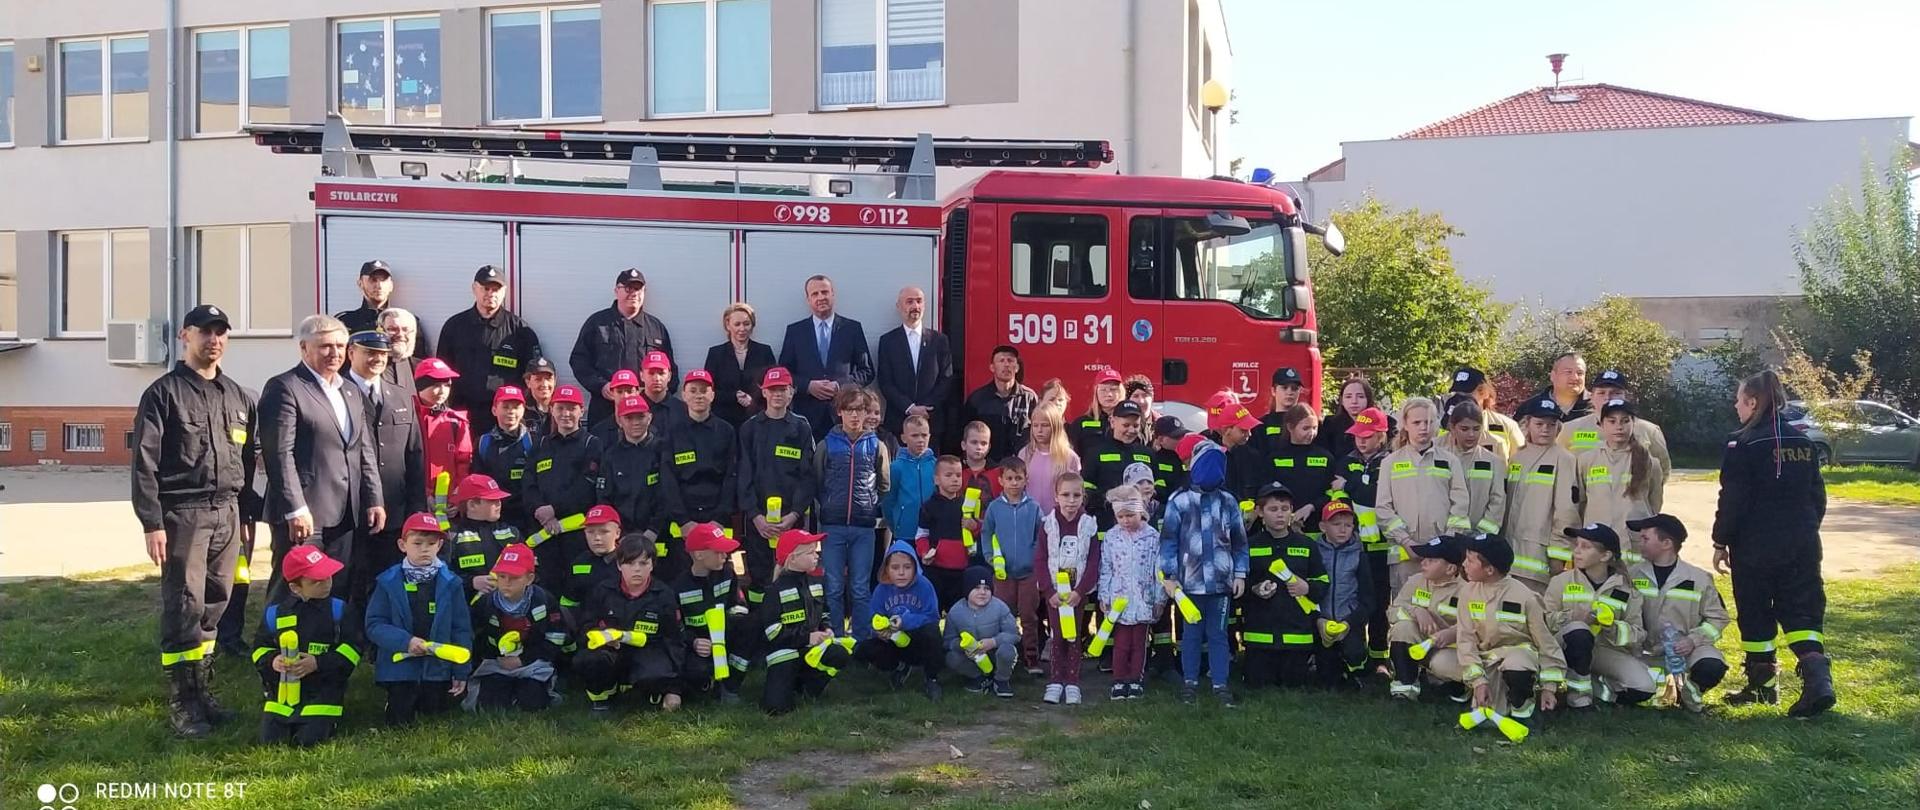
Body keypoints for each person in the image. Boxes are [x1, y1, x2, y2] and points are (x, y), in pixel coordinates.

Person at [132, 304, 262, 738]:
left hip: (228, 511)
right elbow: (144, 463)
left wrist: (246, 512)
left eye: (221, 332)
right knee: (185, 604)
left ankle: (203, 692)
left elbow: (246, 460)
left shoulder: (238, 396)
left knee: (216, 601)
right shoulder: (163, 394)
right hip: (182, 513)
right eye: (205, 331)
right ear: (185, 336)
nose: (214, 339)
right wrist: (152, 522)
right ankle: (182, 702)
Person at [1712, 369, 1833, 717]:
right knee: (1803, 609)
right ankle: (1817, 677)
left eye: (1739, 400)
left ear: (1752, 402)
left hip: (1755, 546)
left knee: (1755, 610)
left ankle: (1763, 685)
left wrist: (1721, 541)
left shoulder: (1741, 444)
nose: (1736, 406)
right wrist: (1805, 529)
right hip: (1802, 543)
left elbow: (1733, 499)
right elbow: (1817, 496)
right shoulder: (1803, 442)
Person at [261, 315, 385, 604]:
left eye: (340, 346)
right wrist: (295, 509)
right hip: (305, 513)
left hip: (346, 511)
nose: (335, 353)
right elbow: (279, 454)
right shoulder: (285, 387)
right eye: (326, 346)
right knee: (293, 591)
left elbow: (363, 448)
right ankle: (274, 635)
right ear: (304, 348)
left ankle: (329, 634)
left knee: (337, 588)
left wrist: (374, 498)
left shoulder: (350, 390)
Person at [1160, 438, 1249, 707]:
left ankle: (1221, 684)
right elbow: (1168, 541)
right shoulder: (1179, 501)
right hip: (1189, 584)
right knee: (1191, 635)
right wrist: (1169, 576)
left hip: (1221, 584)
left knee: (1219, 634)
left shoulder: (1229, 502)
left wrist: (1240, 573)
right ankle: (1190, 683)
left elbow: (1240, 542)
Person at [364, 512, 474, 726]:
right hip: (400, 665)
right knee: (400, 719)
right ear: (402, 545)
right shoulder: (387, 581)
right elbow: (374, 624)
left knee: (434, 712)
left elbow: (461, 628)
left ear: (439, 546)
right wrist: (406, 641)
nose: (425, 549)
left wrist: (461, 671)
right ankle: (394, 698)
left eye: (431, 543)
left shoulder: (452, 583)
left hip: (437, 666)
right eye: (417, 543)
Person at [345, 329, 426, 605]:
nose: (377, 359)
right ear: (351, 353)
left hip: (395, 509)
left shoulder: (402, 396)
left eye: (382, 354)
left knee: (391, 583)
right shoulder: (338, 392)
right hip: (352, 510)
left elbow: (414, 455)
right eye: (370, 353)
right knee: (353, 584)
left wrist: (416, 508)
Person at [252, 546, 359, 746]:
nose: (326, 583)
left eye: (327, 576)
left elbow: (352, 649)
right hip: (282, 693)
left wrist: (318, 663)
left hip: (324, 688)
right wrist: (273, 661)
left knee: (309, 740)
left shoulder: (338, 610)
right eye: (316, 581)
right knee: (271, 741)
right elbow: (259, 648)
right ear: (295, 588)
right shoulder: (276, 613)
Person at [1457, 533, 1565, 724]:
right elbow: (1466, 640)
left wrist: (1550, 686)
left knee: (1518, 664)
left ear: (1489, 570)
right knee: (1488, 715)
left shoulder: (1525, 597)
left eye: (1470, 560)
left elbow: (1546, 643)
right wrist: (1479, 682)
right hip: (1488, 660)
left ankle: (1523, 710)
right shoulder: (1467, 593)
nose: (1464, 564)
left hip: (1519, 657)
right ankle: (1488, 696)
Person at [1626, 514, 1730, 711]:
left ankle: (1690, 691)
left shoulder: (1699, 579)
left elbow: (1718, 618)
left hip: (1686, 650)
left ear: (1666, 544)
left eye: (1646, 538)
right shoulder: (1631, 575)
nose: (1640, 543)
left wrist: (1693, 640)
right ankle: (1660, 686)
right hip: (1642, 651)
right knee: (1635, 692)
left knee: (1711, 666)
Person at [1545, 523, 1654, 709]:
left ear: (1605, 556)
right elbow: (1544, 621)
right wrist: (1574, 618)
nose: (1577, 551)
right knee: (1579, 632)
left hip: (1602, 650)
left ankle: (1595, 686)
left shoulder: (1627, 590)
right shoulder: (1560, 581)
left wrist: (1612, 628)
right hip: (1563, 647)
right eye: (1577, 544)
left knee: (1644, 687)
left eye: (1586, 547)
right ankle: (1579, 700)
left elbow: (1638, 633)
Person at [576, 534, 687, 715]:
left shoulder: (664, 595)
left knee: (655, 675)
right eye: (630, 563)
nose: (637, 569)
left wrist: (674, 689)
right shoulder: (602, 591)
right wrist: (602, 636)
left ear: (652, 565)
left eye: (643, 563)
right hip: (611, 650)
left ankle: (650, 689)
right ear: (619, 565)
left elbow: (675, 640)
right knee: (589, 659)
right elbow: (585, 626)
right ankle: (602, 698)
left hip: (648, 650)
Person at [816, 386, 892, 639]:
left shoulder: (877, 445)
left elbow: (884, 484)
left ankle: (861, 638)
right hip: (832, 525)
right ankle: (836, 637)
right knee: (834, 586)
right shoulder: (826, 445)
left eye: (860, 409)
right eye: (849, 410)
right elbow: (818, 480)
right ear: (840, 412)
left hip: (863, 526)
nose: (855, 415)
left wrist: (868, 504)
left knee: (860, 587)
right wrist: (829, 504)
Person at [736, 367, 818, 601]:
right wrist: (755, 516)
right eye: (772, 390)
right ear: (764, 392)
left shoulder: (801, 428)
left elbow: (807, 476)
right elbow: (743, 475)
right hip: (758, 522)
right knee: (760, 578)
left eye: (782, 389)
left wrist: (793, 515)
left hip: (791, 520)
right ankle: (759, 619)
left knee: (791, 575)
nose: (777, 394)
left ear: (792, 392)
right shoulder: (750, 428)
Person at [1373, 397, 1471, 591]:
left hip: (1442, 555)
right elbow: (1383, 508)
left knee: (1441, 604)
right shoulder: (1390, 463)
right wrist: (1405, 540)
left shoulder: (1450, 461)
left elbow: (1460, 505)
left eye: (1429, 422)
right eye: (1417, 422)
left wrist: (1446, 543)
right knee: (1406, 604)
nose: (1424, 428)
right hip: (1405, 555)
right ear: (1405, 425)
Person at [435, 264, 543, 437]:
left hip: (504, 418)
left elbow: (533, 377)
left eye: (496, 289)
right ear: (474, 288)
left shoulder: (520, 331)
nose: (491, 293)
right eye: (486, 288)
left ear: (504, 291)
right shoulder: (454, 327)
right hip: (461, 414)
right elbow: (441, 372)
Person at [1240, 483, 1325, 690]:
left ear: (1291, 511)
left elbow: (1323, 582)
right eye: (1273, 509)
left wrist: (1307, 588)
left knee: (1293, 686)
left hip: (1297, 638)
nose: (1280, 514)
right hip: (1259, 638)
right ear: (1260, 512)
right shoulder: (1249, 545)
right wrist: (1254, 589)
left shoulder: (1307, 545)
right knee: (1258, 685)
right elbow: (1237, 586)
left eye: (1285, 509)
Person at [757, 529, 852, 714]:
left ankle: (809, 689)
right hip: (784, 653)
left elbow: (824, 613)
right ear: (792, 559)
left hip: (811, 650)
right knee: (776, 709)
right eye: (810, 552)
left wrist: (827, 628)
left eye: (816, 551)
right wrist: (807, 637)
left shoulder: (816, 582)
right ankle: (789, 686)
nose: (816, 556)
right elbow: (772, 633)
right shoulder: (774, 590)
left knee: (839, 654)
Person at [571, 268, 677, 427]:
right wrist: (601, 386)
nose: (633, 293)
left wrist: (658, 398)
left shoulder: (656, 328)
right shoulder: (597, 323)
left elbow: (670, 370)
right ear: (616, 291)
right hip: (605, 410)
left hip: (646, 412)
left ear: (644, 292)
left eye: (638, 288)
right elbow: (579, 361)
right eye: (628, 288)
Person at [1029, 472, 1102, 703]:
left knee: (1073, 636)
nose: (1071, 500)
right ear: (1056, 496)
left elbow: (1093, 561)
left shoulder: (1089, 525)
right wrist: (1048, 591)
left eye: (1076, 495)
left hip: (1077, 592)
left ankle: (1072, 682)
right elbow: (1040, 559)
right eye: (1066, 495)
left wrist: (1080, 591)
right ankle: (1055, 680)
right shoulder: (1048, 525)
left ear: (1083, 497)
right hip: (1055, 593)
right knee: (1057, 635)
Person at [466, 543, 563, 712]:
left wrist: (523, 659)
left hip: (533, 662)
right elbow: (474, 635)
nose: (506, 583)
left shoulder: (544, 600)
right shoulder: (486, 603)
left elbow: (557, 636)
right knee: (491, 706)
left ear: (529, 579)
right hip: (497, 663)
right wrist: (492, 659)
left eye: (514, 577)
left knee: (532, 702)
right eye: (502, 576)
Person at [525, 385, 604, 587]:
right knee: (546, 584)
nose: (565, 414)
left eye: (571, 408)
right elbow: (528, 483)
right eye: (560, 408)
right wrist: (540, 509)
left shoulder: (592, 444)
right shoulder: (541, 444)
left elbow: (587, 487)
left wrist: (554, 510)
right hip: (543, 530)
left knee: (576, 585)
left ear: (581, 411)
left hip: (575, 535)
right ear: (552, 410)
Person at [1336, 406, 1396, 672]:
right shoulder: (1345, 461)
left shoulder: (1391, 462)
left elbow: (1377, 497)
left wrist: (1350, 486)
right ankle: (1356, 657)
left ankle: (1380, 657)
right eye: (1357, 434)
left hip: (1383, 546)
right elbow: (1338, 499)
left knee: (1381, 602)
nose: (1360, 440)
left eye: (1367, 435)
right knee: (1355, 600)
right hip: (1354, 545)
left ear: (1381, 436)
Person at [777, 275, 874, 440]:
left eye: (825, 292)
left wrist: (840, 386)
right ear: (808, 299)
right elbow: (784, 373)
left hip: (844, 418)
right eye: (815, 294)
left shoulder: (852, 329)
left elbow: (867, 371)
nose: (820, 297)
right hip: (806, 416)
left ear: (833, 294)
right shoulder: (795, 331)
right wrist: (808, 386)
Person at [1095, 478, 1163, 701]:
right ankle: (1119, 679)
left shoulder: (1152, 537)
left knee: (1139, 643)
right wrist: (1104, 596)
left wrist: (1159, 599)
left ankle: (1135, 679)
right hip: (1119, 600)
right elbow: (1106, 568)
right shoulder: (1111, 537)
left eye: (1130, 515)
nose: (1125, 521)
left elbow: (1159, 571)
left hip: (1144, 598)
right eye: (1121, 516)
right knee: (1121, 643)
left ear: (1140, 511)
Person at [1577, 398, 1666, 564]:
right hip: (1597, 541)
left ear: (1634, 424)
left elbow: (1654, 504)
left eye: (1625, 421)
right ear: (1601, 424)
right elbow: (1580, 502)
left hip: (1633, 543)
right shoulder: (1586, 460)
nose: (1619, 427)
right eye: (1612, 421)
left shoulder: (1649, 462)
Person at [1504, 396, 1581, 590]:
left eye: (1551, 424)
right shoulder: (1517, 458)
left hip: (1539, 555)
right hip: (1508, 552)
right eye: (1539, 424)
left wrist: (1559, 554)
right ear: (1527, 424)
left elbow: (1567, 511)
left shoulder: (1564, 459)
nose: (1545, 429)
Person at [858, 540, 947, 701]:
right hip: (892, 640)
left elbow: (932, 616)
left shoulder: (924, 586)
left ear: (915, 568)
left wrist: (905, 621)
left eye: (907, 567)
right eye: (895, 568)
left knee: (932, 632)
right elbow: (873, 618)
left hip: (918, 640)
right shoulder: (881, 589)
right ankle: (899, 667)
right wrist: (879, 632)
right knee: (865, 649)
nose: (901, 573)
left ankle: (931, 678)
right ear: (886, 569)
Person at [1386, 534, 1469, 701]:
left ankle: (1459, 685)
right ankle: (1404, 686)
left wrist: (1451, 634)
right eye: (1424, 558)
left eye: (1431, 560)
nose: (1423, 563)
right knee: (1402, 628)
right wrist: (1416, 611)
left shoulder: (1468, 590)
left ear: (1451, 569)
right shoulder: (1416, 581)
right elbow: (1393, 611)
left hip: (1451, 649)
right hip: (1422, 644)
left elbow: (1477, 627)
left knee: (1441, 663)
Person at [673, 523, 748, 705]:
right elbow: (675, 627)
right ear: (699, 555)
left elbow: (738, 605)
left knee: (750, 629)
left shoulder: (728, 574)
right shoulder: (679, 587)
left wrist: (733, 626)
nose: (724, 556)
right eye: (718, 552)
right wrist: (694, 641)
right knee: (696, 673)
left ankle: (730, 686)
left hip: (726, 636)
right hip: (700, 644)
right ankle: (706, 683)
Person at [980, 457, 1043, 673]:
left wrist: (1034, 558)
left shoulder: (1034, 507)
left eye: (1018, 478)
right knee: (1004, 615)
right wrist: (990, 556)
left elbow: (1040, 536)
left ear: (1026, 480)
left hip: (1028, 573)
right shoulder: (994, 508)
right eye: (1009, 478)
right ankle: (1005, 655)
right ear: (1001, 480)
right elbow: (986, 533)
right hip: (1003, 573)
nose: (1014, 483)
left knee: (1028, 615)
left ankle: (1031, 658)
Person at [660, 369, 738, 532]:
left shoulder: (726, 431)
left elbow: (732, 476)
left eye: (704, 391)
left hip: (719, 520)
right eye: (693, 391)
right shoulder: (672, 433)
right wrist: (683, 521)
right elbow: (668, 479)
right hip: (683, 522)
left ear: (713, 395)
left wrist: (720, 519)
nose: (699, 396)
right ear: (684, 395)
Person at [598, 395, 668, 578]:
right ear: (620, 421)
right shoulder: (611, 456)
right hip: (622, 539)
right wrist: (619, 534)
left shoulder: (664, 450)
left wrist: (653, 531)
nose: (636, 422)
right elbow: (604, 499)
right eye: (629, 418)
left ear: (650, 418)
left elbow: (669, 494)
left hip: (659, 535)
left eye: (640, 417)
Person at [876, 286, 955, 445]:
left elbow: (946, 379)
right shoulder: (887, 341)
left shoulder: (939, 340)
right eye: (909, 301)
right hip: (898, 423)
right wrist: (909, 407)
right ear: (899, 306)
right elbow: (885, 381)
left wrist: (925, 408)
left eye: (919, 301)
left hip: (931, 423)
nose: (915, 306)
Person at [1561, 369, 1674, 480]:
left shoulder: (1649, 431)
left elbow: (1662, 470)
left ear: (1627, 397)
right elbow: (1559, 465)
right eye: (1601, 393)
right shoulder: (1569, 429)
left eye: (1615, 393)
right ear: (1592, 397)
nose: (1607, 398)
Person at [1311, 500, 1374, 689]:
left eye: (1348, 525)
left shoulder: (1359, 555)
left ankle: (1356, 670)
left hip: (1348, 621)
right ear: (1323, 527)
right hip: (1321, 621)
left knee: (1355, 654)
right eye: (1336, 524)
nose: (1342, 530)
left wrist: (1349, 622)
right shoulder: (1313, 551)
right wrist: (1318, 619)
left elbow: (1368, 599)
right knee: (1327, 680)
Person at [943, 565, 1020, 698]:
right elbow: (947, 641)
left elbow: (1014, 635)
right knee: (951, 658)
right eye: (977, 588)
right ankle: (978, 677)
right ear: (967, 589)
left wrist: (993, 642)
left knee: (1007, 650)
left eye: (987, 588)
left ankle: (1001, 680)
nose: (982, 592)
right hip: (971, 657)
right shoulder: (955, 612)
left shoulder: (1000, 607)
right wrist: (963, 646)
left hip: (995, 653)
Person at [1263, 404, 1339, 538]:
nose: (1311, 433)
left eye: (1314, 428)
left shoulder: (1326, 457)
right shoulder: (1275, 458)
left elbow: (1332, 492)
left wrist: (1312, 506)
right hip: (1284, 529)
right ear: (1290, 427)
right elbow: (1268, 493)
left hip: (1317, 528)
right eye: (1306, 428)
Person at [472, 385, 538, 530]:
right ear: (494, 410)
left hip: (525, 517)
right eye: (506, 407)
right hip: (492, 518)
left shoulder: (533, 442)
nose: (511, 411)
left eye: (516, 407)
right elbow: (477, 482)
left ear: (523, 410)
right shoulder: (483, 443)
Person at [337, 259, 432, 358]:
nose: (379, 286)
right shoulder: (345, 322)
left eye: (384, 280)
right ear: (360, 284)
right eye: (373, 280)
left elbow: (418, 360)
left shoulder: (408, 321)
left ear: (391, 285)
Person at [444, 474, 520, 597]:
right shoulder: (453, 537)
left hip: (507, 603)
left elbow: (529, 569)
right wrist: (471, 582)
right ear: (472, 505)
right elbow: (444, 575)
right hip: (468, 604)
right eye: (492, 500)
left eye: (499, 499)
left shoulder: (511, 532)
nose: (499, 504)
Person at [1441, 399, 1509, 537]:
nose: (1471, 434)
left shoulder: (1494, 462)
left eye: (1476, 429)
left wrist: (1480, 535)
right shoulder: (1439, 459)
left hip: (1479, 538)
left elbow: (1497, 502)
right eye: (1464, 429)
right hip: (1444, 535)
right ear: (1452, 428)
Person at [413, 357, 473, 511]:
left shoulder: (456, 421)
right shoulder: (408, 417)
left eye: (447, 385)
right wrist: (423, 494)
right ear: (420, 386)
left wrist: (458, 496)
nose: (442, 391)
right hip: (413, 499)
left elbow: (464, 461)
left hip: (447, 502)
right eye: (435, 385)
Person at [961, 345, 1039, 463]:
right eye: (1001, 360)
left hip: (1020, 466)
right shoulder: (977, 399)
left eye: (1010, 360)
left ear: (1017, 367)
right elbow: (966, 435)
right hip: (987, 465)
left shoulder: (1029, 398)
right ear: (992, 367)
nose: (1006, 364)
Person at [705, 302, 777, 427]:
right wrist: (734, 396)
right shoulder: (715, 354)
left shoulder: (764, 352)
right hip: (724, 421)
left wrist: (753, 401)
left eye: (746, 324)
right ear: (728, 325)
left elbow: (773, 386)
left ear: (752, 325)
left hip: (757, 421)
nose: (742, 329)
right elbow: (708, 390)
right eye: (737, 324)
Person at [1082, 401, 1154, 527]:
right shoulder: (1095, 453)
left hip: (1141, 525)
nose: (1131, 430)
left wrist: (1149, 492)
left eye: (1136, 425)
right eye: (1126, 425)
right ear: (1112, 422)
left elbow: (1160, 491)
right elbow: (1085, 491)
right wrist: (1112, 497)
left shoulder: (1148, 454)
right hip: (1106, 523)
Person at [915, 456, 972, 609]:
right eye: (948, 475)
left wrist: (974, 526)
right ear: (936, 480)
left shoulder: (967, 505)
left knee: (958, 612)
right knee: (934, 609)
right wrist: (924, 552)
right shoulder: (928, 506)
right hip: (936, 568)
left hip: (961, 568)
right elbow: (921, 535)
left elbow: (978, 533)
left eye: (958, 475)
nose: (955, 479)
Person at [883, 413, 940, 551]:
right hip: (905, 531)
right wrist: (896, 525)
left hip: (931, 532)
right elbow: (888, 501)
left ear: (929, 436)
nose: (920, 440)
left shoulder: (937, 465)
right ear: (904, 438)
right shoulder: (896, 467)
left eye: (924, 435)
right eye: (914, 436)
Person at [1202, 391, 1267, 509]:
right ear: (1227, 430)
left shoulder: (1253, 457)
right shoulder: (1208, 454)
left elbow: (1262, 488)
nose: (1249, 434)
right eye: (1243, 430)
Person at [1014, 405, 1081, 516]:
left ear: (1055, 427)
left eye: (1045, 425)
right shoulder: (1024, 454)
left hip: (1058, 518)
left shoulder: (1069, 457)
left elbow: (1075, 492)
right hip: (1029, 517)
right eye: (1035, 425)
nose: (1039, 430)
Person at [561, 505, 625, 614]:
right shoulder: (579, 563)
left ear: (617, 533)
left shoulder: (629, 561)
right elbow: (568, 604)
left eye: (604, 532)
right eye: (590, 532)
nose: (597, 538)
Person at [1449, 367, 1520, 460]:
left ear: (1484, 392)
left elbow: (1521, 461)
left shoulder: (1507, 426)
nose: (1460, 399)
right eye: (1457, 394)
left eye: (1467, 394)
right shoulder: (1445, 425)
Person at [1320, 376, 1391, 460]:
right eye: (1348, 397)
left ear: (1368, 399)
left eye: (1360, 396)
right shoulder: (1330, 424)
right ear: (1342, 400)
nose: (1354, 401)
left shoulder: (1387, 423)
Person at [1072, 368, 1126, 457]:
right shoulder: (1081, 423)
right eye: (1103, 390)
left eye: (1113, 389)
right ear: (1096, 392)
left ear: (1121, 392)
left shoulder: (1131, 423)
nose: (1109, 394)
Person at [1525, 351, 1591, 424]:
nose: (1574, 377)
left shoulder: (1596, 405)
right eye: (1568, 372)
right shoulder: (1530, 407)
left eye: (1580, 373)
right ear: (1553, 376)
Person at [1255, 367, 1307, 458]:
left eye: (1294, 388)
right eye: (1284, 388)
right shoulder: (1261, 425)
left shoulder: (1309, 423)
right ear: (1273, 391)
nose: (1289, 392)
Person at [584, 369, 643, 446]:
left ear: (637, 393)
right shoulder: (598, 432)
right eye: (619, 392)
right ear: (612, 393)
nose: (625, 396)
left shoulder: (648, 430)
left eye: (629, 391)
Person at [378, 307, 424, 403]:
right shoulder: (371, 366)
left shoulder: (422, 367)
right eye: (392, 329)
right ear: (381, 332)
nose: (400, 335)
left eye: (405, 329)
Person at [638, 350, 687, 436]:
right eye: (651, 373)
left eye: (661, 373)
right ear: (642, 376)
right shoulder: (632, 408)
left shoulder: (682, 410)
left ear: (669, 376)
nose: (657, 378)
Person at [958, 420, 1004, 503]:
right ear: (964, 445)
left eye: (983, 443)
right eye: (974, 442)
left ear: (989, 448)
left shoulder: (998, 472)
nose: (979, 447)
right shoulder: (956, 470)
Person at [1149, 415, 1190, 495]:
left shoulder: (1188, 456)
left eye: (1183, 435)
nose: (1182, 439)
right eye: (1177, 437)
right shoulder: (1153, 460)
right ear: (1161, 439)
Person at [521, 356, 559, 438]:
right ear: (528, 382)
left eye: (548, 379)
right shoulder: (520, 410)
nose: (544, 384)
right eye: (538, 379)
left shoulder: (563, 409)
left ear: (555, 381)